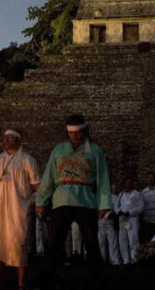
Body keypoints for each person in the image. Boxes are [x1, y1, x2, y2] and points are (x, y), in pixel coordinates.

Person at [35, 113, 112, 277]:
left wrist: (104, 204)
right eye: (71, 133)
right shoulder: (59, 149)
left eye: (77, 132)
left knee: (91, 242)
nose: (74, 136)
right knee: (55, 241)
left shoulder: (95, 151)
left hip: (86, 200)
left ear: (85, 131)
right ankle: (46, 280)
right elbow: (49, 175)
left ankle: (99, 282)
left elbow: (103, 178)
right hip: (62, 198)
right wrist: (41, 199)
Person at [0, 128, 41, 287]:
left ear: (19, 141)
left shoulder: (27, 160)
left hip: (18, 209)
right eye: (5, 138)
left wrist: (40, 203)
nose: (7, 140)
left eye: (11, 138)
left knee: (18, 242)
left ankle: (21, 282)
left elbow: (36, 184)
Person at [115, 176, 144, 265]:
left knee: (133, 239)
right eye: (126, 182)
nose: (128, 184)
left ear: (133, 184)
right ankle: (126, 260)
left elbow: (141, 207)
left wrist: (130, 212)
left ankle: (134, 259)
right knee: (123, 239)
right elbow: (116, 205)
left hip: (132, 219)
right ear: (124, 184)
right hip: (123, 219)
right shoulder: (121, 194)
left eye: (130, 182)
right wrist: (118, 212)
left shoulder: (137, 194)